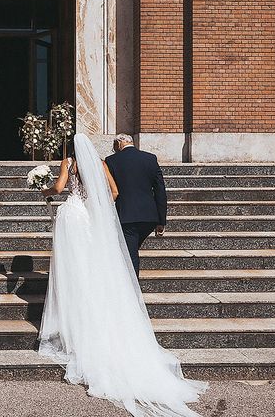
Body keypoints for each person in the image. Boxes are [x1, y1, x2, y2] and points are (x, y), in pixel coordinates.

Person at [39, 133, 206, 417]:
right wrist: (99, 208)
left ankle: (74, 316)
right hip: (94, 217)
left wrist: (43, 192)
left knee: (71, 267)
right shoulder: (103, 163)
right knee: (92, 264)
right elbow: (115, 193)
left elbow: (58, 186)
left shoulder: (69, 162)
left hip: (71, 216)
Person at [105, 133, 167, 277]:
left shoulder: (111, 160)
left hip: (126, 215)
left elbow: (108, 188)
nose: (114, 150)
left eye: (115, 146)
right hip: (149, 216)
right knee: (129, 250)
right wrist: (161, 220)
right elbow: (160, 190)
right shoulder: (150, 158)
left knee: (130, 254)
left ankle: (133, 291)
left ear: (119, 144)